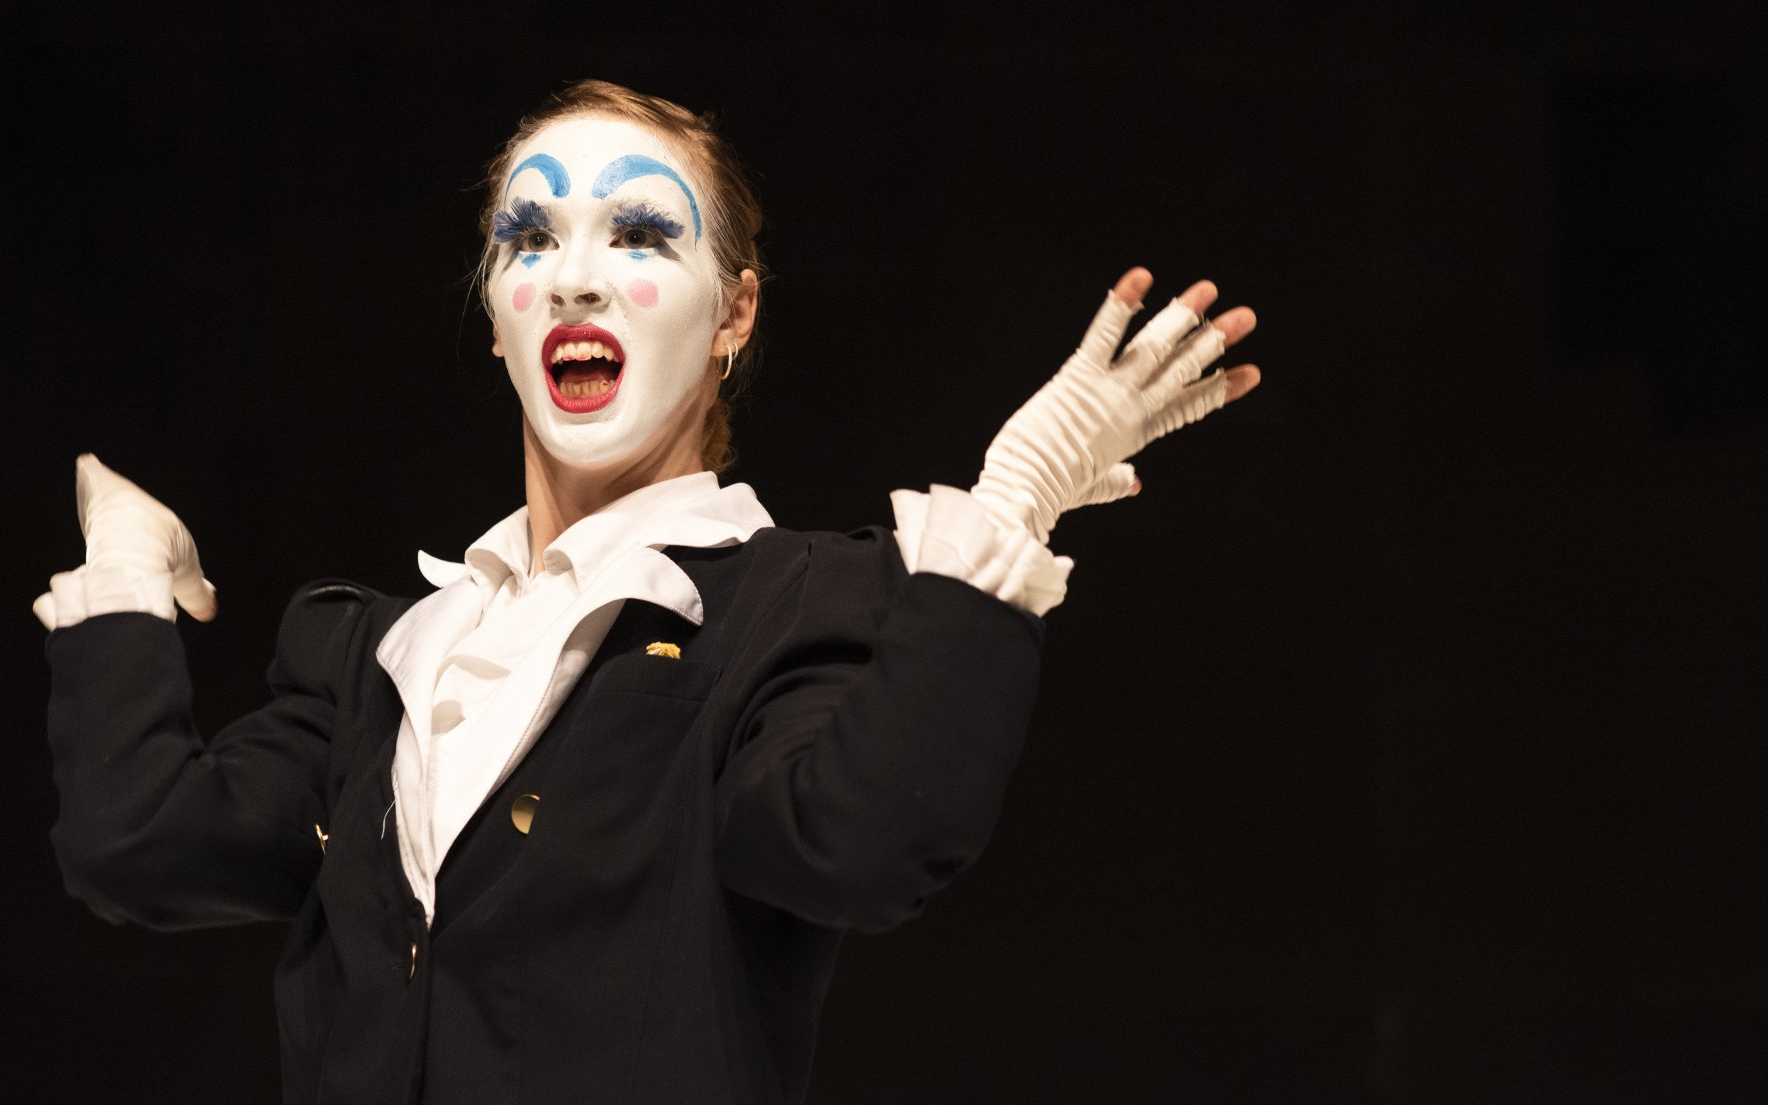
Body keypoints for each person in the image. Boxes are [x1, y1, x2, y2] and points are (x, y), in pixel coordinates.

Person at [35, 80, 1260, 1104]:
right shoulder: (377, 653)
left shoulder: (790, 607)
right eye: (530, 239)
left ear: (735, 312)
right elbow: (139, 847)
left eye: (638, 235)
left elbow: (858, 848)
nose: (574, 280)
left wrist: (1010, 508)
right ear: (497, 320)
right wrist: (128, 569)